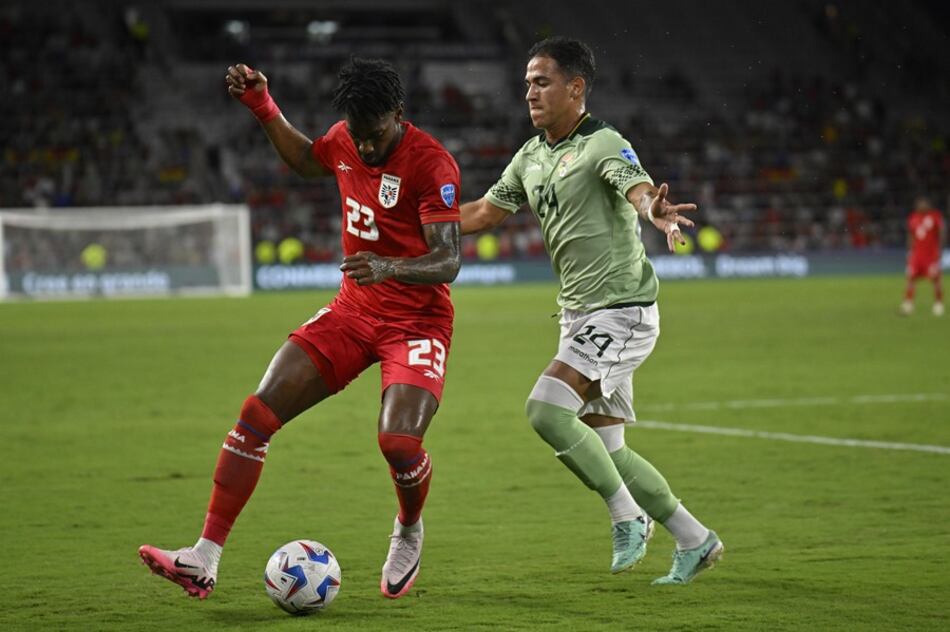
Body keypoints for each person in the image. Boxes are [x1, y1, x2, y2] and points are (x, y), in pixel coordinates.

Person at [139, 58, 462, 600]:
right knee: (257, 412)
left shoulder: (433, 164)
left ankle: (408, 528)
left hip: (417, 322)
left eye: (375, 135)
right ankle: (204, 556)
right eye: (357, 136)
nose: (363, 148)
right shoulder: (345, 138)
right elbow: (308, 161)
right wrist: (263, 106)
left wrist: (388, 266)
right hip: (353, 311)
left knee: (398, 442)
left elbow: (448, 260)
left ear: (399, 115)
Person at [460, 37, 723, 584]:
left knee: (546, 410)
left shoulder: (603, 143)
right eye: (527, 81)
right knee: (610, 451)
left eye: (542, 81)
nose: (528, 91)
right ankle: (696, 540)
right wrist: (416, 224)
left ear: (575, 88)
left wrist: (659, 211)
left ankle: (627, 517)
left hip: (622, 311)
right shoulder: (531, 155)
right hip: (578, 317)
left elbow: (639, 189)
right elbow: (485, 212)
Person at [900, 196, 945, 316]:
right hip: (917, 256)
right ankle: (908, 304)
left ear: (928, 204)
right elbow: (910, 236)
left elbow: (942, 233)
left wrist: (940, 250)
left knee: (936, 280)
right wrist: (909, 252)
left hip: (931, 255)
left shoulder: (935, 216)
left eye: (923, 203)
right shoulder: (913, 217)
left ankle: (938, 304)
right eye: (919, 204)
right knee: (910, 279)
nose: (921, 206)